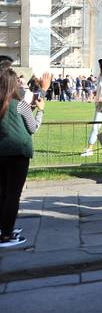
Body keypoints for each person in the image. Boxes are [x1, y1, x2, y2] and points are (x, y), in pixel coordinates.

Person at [0, 70, 49, 248]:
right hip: (18, 152)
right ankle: (6, 234)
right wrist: (41, 111)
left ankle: (4, 227)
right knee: (13, 194)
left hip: (2, 152)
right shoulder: (20, 104)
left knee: (3, 192)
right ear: (13, 85)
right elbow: (33, 127)